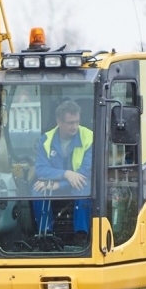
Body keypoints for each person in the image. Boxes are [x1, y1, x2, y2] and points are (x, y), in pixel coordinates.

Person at [33, 99, 93, 240]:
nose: (75, 126)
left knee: (84, 188)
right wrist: (66, 174)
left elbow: (86, 172)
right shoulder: (46, 140)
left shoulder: (88, 138)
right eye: (70, 123)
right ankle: (45, 235)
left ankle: (81, 235)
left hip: (76, 184)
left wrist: (58, 184)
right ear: (59, 122)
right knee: (37, 190)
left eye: (77, 122)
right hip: (59, 181)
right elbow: (41, 169)